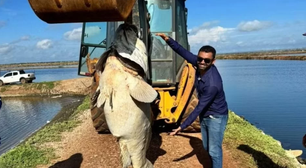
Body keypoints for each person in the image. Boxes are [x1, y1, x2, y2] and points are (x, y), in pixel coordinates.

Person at [156, 33, 228, 168]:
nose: (202, 62)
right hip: (205, 115)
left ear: (213, 62)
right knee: (207, 147)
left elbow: (199, 108)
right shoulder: (199, 63)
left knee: (214, 151)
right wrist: (168, 40)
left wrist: (181, 127)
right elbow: (182, 52)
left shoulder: (213, 84)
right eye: (200, 58)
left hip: (216, 117)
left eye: (206, 60)